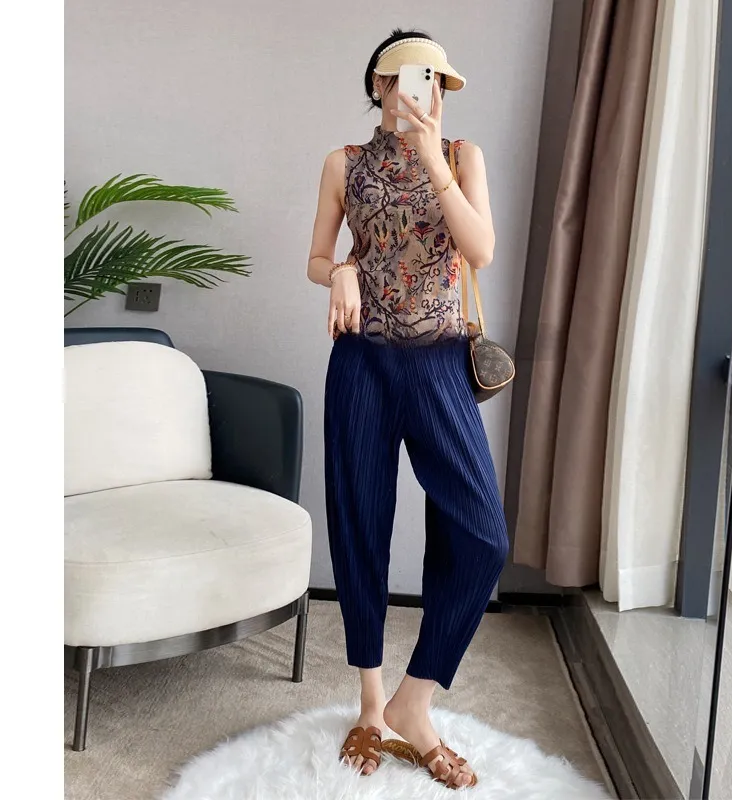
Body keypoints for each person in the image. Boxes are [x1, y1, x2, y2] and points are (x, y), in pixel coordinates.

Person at [306, 28, 508, 790]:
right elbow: (315, 257)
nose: (421, 93)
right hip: (361, 364)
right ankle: (369, 704)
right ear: (380, 86)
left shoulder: (461, 156)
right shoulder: (343, 164)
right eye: (406, 79)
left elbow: (480, 251)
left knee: (481, 535)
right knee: (360, 525)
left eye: (434, 81)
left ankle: (413, 703)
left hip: (438, 364)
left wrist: (433, 161)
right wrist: (340, 272)